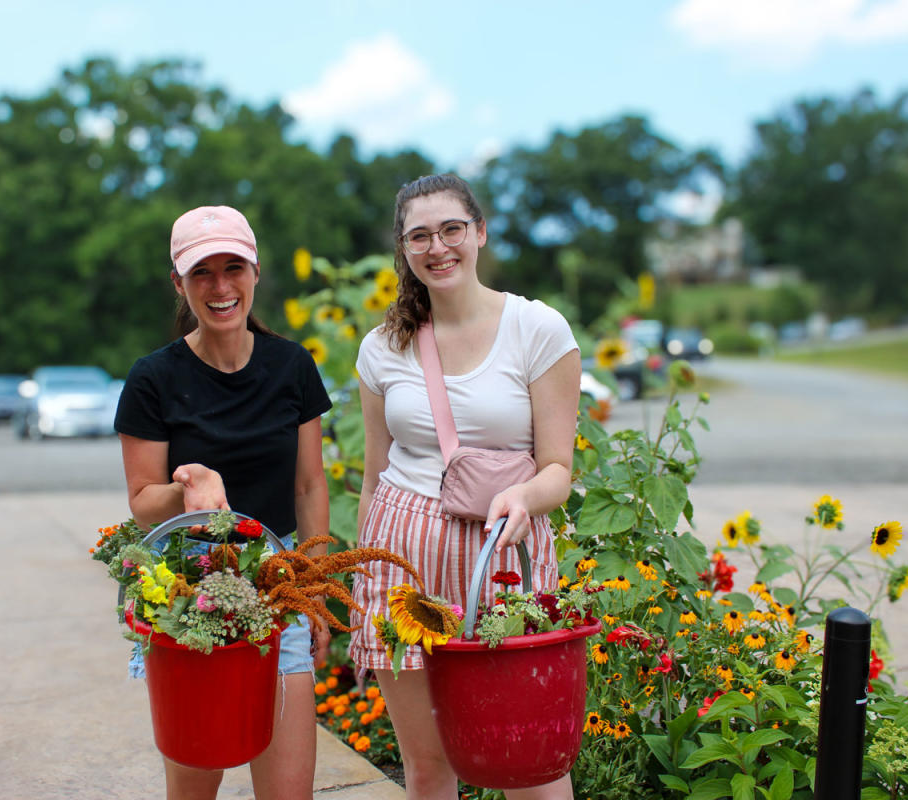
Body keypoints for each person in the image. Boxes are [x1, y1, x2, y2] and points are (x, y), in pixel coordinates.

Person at [348, 174, 582, 800]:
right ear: (404, 250)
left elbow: (558, 470)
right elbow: (375, 474)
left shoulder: (538, 330)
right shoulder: (382, 347)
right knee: (428, 767)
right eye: (419, 236)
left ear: (479, 233)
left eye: (452, 229)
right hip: (400, 563)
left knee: (528, 761)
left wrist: (525, 498)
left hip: (503, 558)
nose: (438, 247)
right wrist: (362, 575)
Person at [113, 205, 333, 800]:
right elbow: (141, 502)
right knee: (196, 781)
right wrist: (191, 491)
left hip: (276, 579)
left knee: (289, 792)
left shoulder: (291, 366)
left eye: (232, 267)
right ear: (179, 284)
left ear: (255, 272)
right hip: (188, 586)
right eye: (201, 272)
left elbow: (310, 487)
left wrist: (311, 588)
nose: (219, 286)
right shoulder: (153, 378)